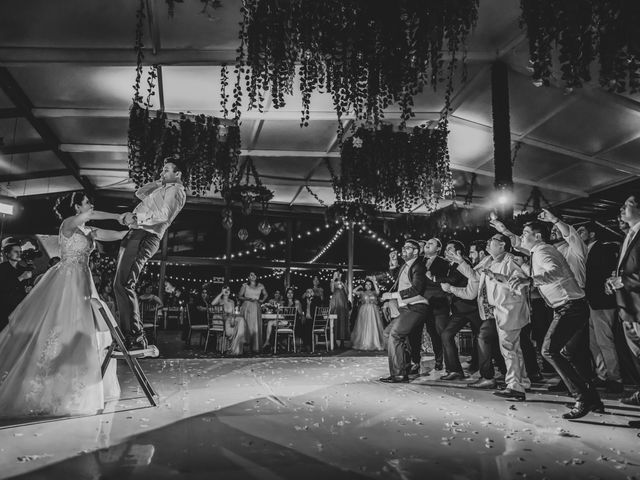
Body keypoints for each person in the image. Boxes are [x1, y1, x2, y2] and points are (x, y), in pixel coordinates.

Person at [0, 192, 126, 417]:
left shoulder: (89, 231)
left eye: (89, 201)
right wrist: (119, 216)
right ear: (77, 207)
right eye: (86, 202)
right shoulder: (67, 224)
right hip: (66, 282)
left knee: (80, 331)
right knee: (58, 329)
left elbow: (116, 234)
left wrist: (137, 227)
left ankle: (70, 386)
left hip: (83, 283)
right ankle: (46, 387)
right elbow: (95, 214)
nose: (90, 205)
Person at [509, 221, 603, 419]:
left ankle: (582, 398)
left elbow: (556, 272)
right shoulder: (539, 252)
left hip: (570, 308)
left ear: (537, 236)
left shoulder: (543, 250)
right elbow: (546, 272)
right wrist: (524, 268)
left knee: (549, 350)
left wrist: (529, 280)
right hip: (572, 306)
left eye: (526, 232)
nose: (522, 236)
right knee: (571, 355)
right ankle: (593, 398)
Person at [114, 158, 187, 350]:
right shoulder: (161, 188)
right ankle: (128, 336)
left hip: (146, 235)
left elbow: (164, 215)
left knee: (124, 283)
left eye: (166, 170)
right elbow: (140, 193)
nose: (162, 173)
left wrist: (136, 217)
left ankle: (136, 337)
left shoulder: (177, 191)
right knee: (119, 283)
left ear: (178, 174)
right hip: (136, 232)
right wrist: (159, 182)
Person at [577, 222, 623, 393]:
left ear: (593, 234)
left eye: (581, 231)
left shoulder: (604, 248)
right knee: (594, 342)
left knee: (605, 341)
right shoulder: (584, 250)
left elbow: (609, 271)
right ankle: (602, 374)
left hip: (603, 300)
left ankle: (615, 378)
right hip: (589, 300)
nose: (578, 234)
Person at [380, 239, 429, 383]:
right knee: (388, 333)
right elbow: (398, 280)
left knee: (395, 334)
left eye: (408, 248)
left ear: (415, 251)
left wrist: (392, 295)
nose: (404, 250)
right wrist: (393, 263)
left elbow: (416, 289)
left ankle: (399, 374)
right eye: (403, 247)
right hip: (406, 308)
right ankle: (405, 366)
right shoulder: (405, 266)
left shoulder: (419, 266)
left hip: (417, 307)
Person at [610, 193, 640, 409]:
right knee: (637, 359)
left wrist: (623, 280)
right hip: (628, 308)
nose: (621, 209)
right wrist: (613, 279)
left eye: (626, 205)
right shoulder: (630, 234)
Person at [416, 238, 448, 372]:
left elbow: (446, 280)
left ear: (438, 249)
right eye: (427, 243)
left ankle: (442, 361)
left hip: (439, 302)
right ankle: (416, 361)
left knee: (441, 332)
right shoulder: (419, 261)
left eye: (431, 244)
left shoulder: (444, 262)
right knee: (429, 332)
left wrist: (433, 276)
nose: (427, 245)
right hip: (422, 303)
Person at [0, 238, 32, 331]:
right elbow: (3, 287)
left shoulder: (22, 269)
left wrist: (27, 289)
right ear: (7, 253)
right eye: (16, 251)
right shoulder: (2, 268)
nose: (19, 254)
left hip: (19, 308)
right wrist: (21, 278)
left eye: (20, 251)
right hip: (4, 309)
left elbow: (22, 288)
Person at [351, 277, 385, 351]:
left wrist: (374, 282)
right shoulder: (362, 293)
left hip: (373, 310)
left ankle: (374, 342)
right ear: (364, 285)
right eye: (366, 284)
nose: (368, 286)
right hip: (364, 310)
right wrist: (359, 286)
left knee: (373, 325)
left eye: (369, 284)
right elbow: (353, 291)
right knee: (365, 326)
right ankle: (365, 342)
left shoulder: (374, 292)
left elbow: (378, 292)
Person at [211, 285, 246, 355]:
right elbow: (212, 303)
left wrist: (233, 318)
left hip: (230, 319)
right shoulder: (220, 300)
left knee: (241, 320)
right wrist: (221, 293)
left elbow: (233, 313)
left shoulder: (232, 301)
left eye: (228, 289)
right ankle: (233, 346)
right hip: (221, 320)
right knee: (236, 323)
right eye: (224, 289)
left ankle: (235, 348)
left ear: (230, 292)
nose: (226, 290)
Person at [238, 272, 268, 353]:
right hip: (247, 306)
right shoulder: (245, 285)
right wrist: (247, 299)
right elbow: (240, 296)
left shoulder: (260, 285)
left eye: (254, 275)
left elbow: (266, 294)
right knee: (246, 326)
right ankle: (245, 346)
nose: (253, 276)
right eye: (251, 275)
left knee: (255, 326)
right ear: (248, 277)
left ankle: (255, 346)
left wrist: (261, 300)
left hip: (256, 306)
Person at [330, 269, 350, 348]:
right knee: (334, 322)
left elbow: (347, 292)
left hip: (342, 303)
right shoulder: (333, 282)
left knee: (342, 322)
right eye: (337, 273)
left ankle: (342, 342)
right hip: (335, 303)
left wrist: (344, 284)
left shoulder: (344, 282)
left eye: (340, 273)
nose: (338, 275)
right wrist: (333, 279)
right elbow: (332, 290)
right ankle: (334, 341)